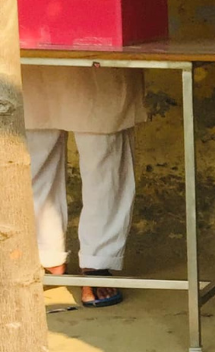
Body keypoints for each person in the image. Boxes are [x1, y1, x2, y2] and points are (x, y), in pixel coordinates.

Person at [23, 66, 145, 307]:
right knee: (32, 141)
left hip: (100, 45)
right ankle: (43, 253)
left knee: (103, 143)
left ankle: (97, 261)